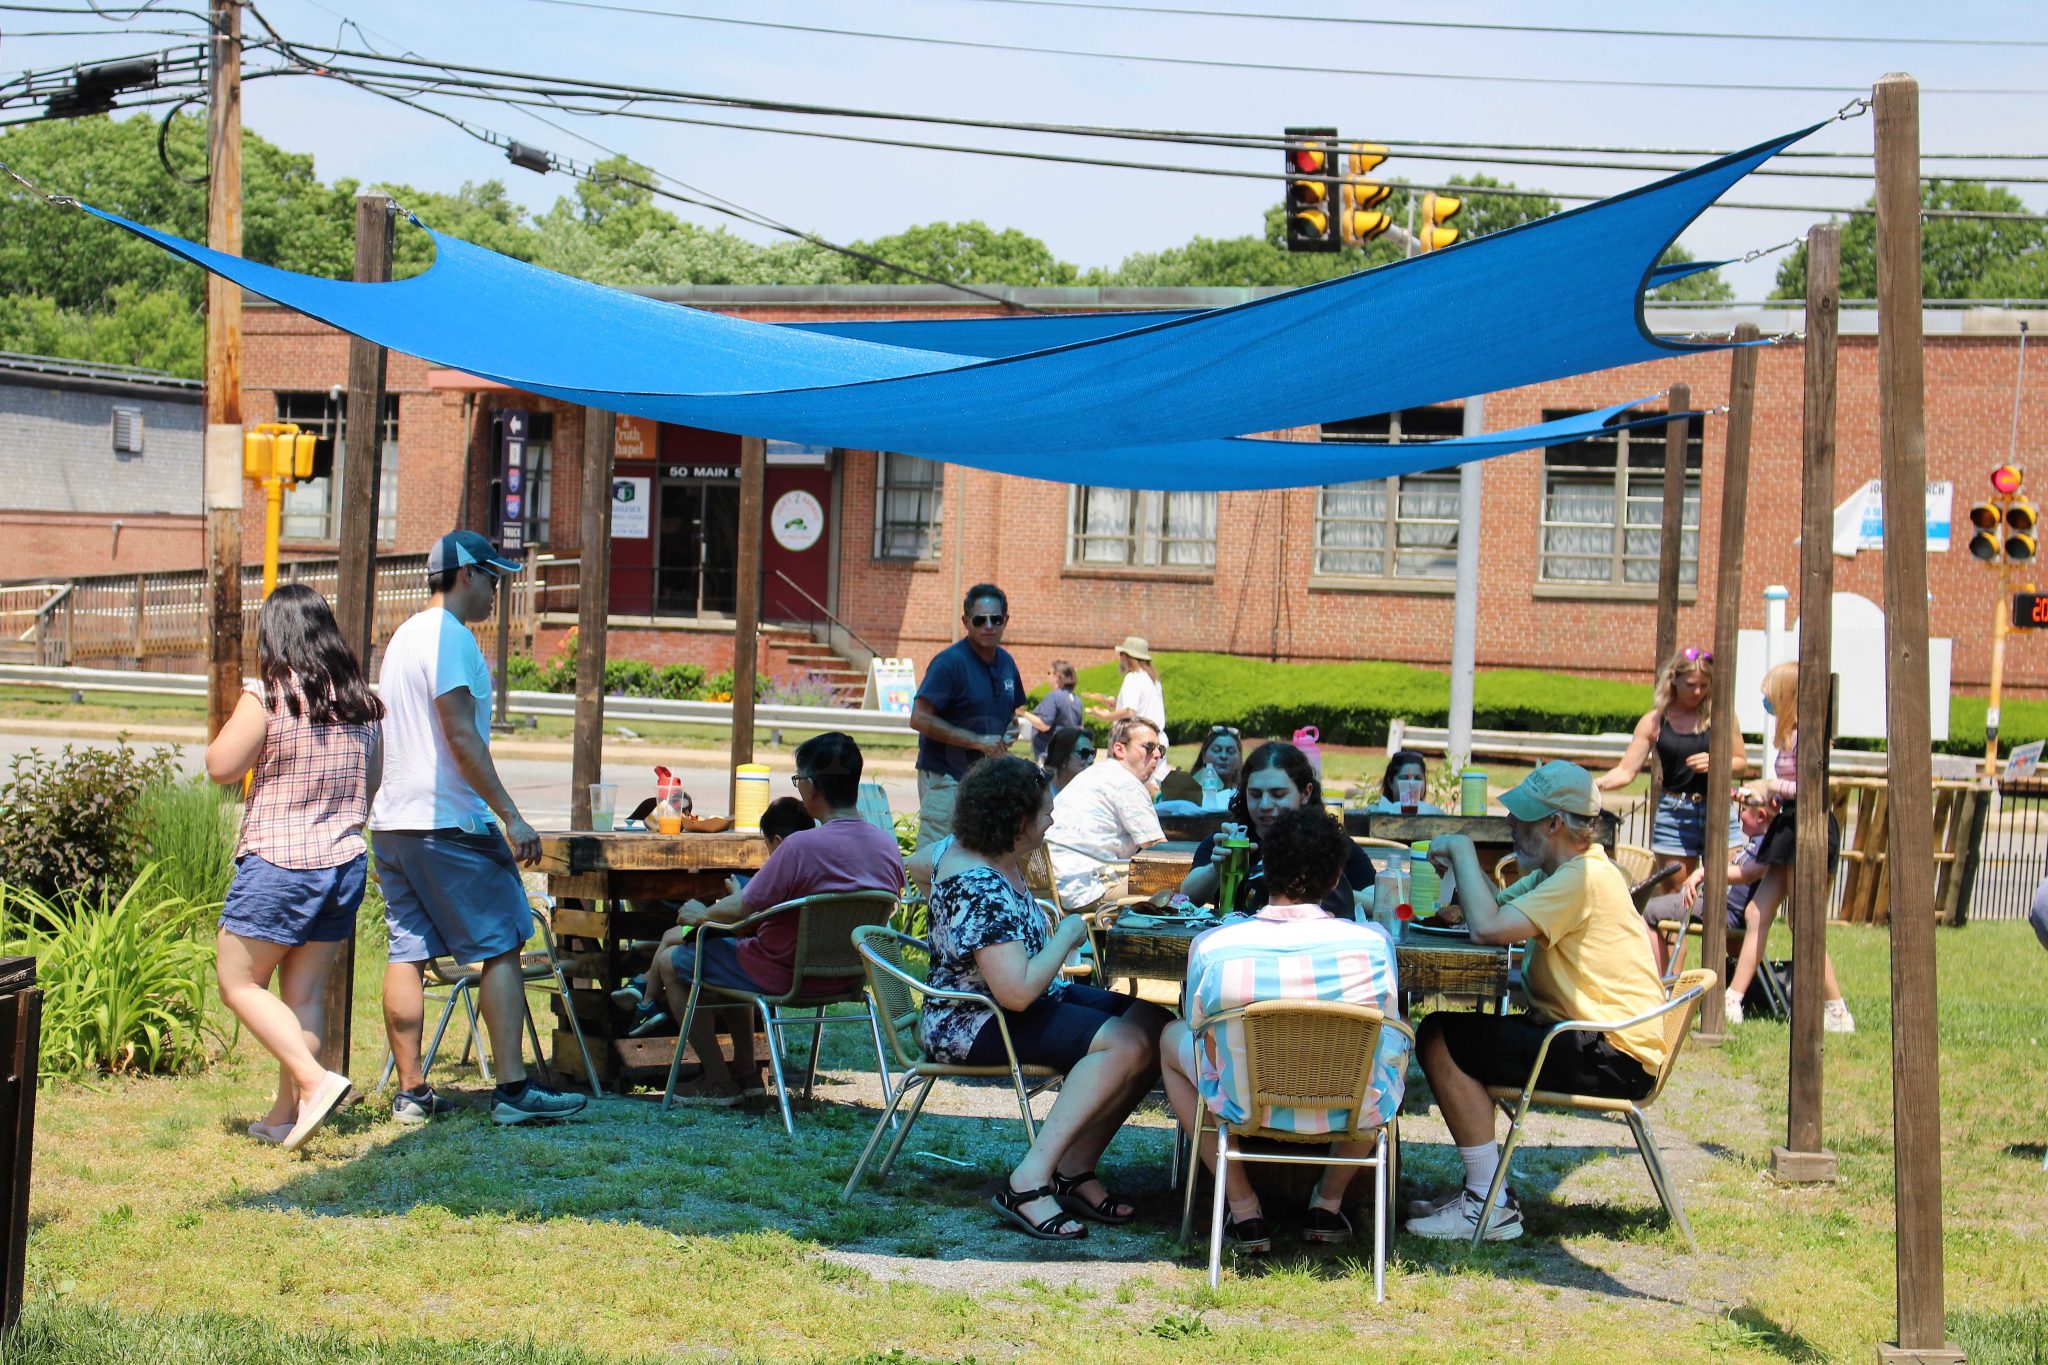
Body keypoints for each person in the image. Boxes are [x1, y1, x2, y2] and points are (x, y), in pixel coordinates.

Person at [372, 530, 588, 1127]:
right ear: (466, 573)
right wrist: (510, 815)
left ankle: (412, 1093)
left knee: (408, 950)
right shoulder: (452, 637)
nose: (499, 589)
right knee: (503, 941)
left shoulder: (402, 636)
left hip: (394, 825)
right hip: (449, 823)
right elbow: (460, 734)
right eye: (493, 577)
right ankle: (514, 1092)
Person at [1407, 761, 1668, 1241]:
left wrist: (1464, 849)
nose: (1510, 822)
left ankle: (1488, 1204)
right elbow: (1497, 909)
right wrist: (1468, 873)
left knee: (1440, 1038)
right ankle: (1485, 1193)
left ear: (1554, 824)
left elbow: (1485, 928)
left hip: (1611, 1052)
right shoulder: (1568, 870)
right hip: (1596, 1039)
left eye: (1523, 814)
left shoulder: (1580, 879)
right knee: (1453, 1036)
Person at [920, 756, 1171, 1240]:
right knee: (1123, 1041)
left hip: (1017, 1002)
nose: (1052, 820)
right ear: (1016, 823)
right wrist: (1067, 934)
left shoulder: (983, 854)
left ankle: (1074, 1171)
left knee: (1154, 1022)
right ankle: (1028, 1182)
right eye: (1045, 813)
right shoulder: (977, 885)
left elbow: (918, 863)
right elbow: (1015, 993)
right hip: (970, 1021)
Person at [1161, 807, 1408, 1253]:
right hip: (1351, 1109)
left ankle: (1243, 1209)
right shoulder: (1374, 946)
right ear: (1336, 879)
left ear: (1263, 869)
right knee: (1387, 1044)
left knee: (1172, 1038)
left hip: (1242, 1104)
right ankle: (1327, 1204)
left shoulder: (1215, 947)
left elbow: (1200, 1030)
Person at [206, 584, 381, 1153]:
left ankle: (313, 1081)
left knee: (238, 981)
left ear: (274, 635)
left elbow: (220, 766)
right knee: (302, 992)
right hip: (344, 862)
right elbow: (370, 786)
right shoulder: (362, 703)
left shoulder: (270, 695)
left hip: (280, 862)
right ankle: (288, 1115)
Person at [652, 731, 906, 1104]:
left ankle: (718, 1080)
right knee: (732, 953)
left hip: (780, 974)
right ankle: (746, 1073)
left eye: (799, 780)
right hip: (848, 977)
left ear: (812, 789)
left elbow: (741, 908)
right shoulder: (887, 846)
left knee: (671, 962)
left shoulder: (800, 847)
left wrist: (701, 913)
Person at [610, 795, 815, 1035]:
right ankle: (644, 987)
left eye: (767, 845)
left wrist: (709, 911)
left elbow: (741, 911)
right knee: (684, 937)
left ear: (778, 842)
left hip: (772, 969)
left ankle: (646, 996)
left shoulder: (781, 867)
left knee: (674, 950)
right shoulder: (818, 866)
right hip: (821, 975)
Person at [1723, 662, 1854, 1032]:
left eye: (1770, 695)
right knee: (1755, 913)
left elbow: (1812, 787)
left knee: (1803, 922)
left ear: (1787, 696)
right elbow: (1788, 789)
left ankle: (1836, 1009)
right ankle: (1734, 998)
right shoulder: (1789, 735)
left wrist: (1771, 787)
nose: (1766, 702)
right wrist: (1761, 795)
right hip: (1787, 827)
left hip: (1807, 830)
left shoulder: (1805, 735)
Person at [1180, 741, 1375, 917]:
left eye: (1278, 794)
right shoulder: (1231, 839)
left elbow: (1379, 900)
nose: (1265, 804)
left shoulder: (1326, 843)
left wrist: (1318, 885)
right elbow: (1187, 897)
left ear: (1306, 793)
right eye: (1255, 794)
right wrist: (1216, 869)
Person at [1595, 648, 1729, 881]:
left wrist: (1718, 763)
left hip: (1717, 808)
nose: (1697, 691)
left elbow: (1741, 761)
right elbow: (1626, 771)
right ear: (1673, 679)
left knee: (1723, 890)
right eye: (1690, 684)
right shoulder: (1654, 721)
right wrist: (1595, 784)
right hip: (1674, 813)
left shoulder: (1720, 716)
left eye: (1704, 685)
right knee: (1676, 897)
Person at [910, 583, 1025, 850]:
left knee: (978, 856)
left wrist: (1010, 728)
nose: (988, 626)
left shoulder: (1006, 662)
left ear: (1005, 621)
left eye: (995, 619)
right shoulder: (949, 663)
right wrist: (976, 741)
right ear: (966, 622)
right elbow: (919, 718)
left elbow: (1009, 712)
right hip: (946, 778)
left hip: (985, 782)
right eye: (979, 620)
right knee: (937, 857)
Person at [1640, 784, 1777, 976]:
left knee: (1643, 911)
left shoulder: (1764, 847)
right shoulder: (1760, 843)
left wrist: (1702, 873)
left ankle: (1663, 982)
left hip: (1721, 911)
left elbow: (1749, 873)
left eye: (1744, 811)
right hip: (1716, 905)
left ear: (1761, 816)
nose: (1740, 815)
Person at [1046, 717, 1167, 909]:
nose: (1157, 755)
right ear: (1119, 749)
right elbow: (1161, 851)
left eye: (1161, 749)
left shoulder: (1097, 774)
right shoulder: (1125, 783)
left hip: (1053, 886)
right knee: (1171, 882)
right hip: (1086, 888)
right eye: (1149, 747)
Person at [1159, 725, 1243, 806]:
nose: (1223, 756)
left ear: (1239, 757)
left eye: (1230, 751)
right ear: (1204, 756)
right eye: (1217, 750)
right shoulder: (1184, 790)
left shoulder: (1246, 792)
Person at [1019, 660, 1084, 764]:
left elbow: (1044, 725)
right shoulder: (1077, 700)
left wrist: (1022, 712)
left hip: (1050, 757)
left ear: (1057, 677)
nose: (1048, 676)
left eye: (1049, 673)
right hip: (1068, 756)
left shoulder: (1054, 696)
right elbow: (1080, 729)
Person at [1367, 749, 1446, 815]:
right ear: (1390, 782)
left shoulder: (1435, 815)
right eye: (1405, 778)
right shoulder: (1374, 814)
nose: (1411, 784)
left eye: (1418, 778)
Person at [1042, 725, 1094, 795]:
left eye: (1093, 753)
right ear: (1063, 756)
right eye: (1084, 753)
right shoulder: (1039, 793)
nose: (1091, 760)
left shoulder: (1090, 792)